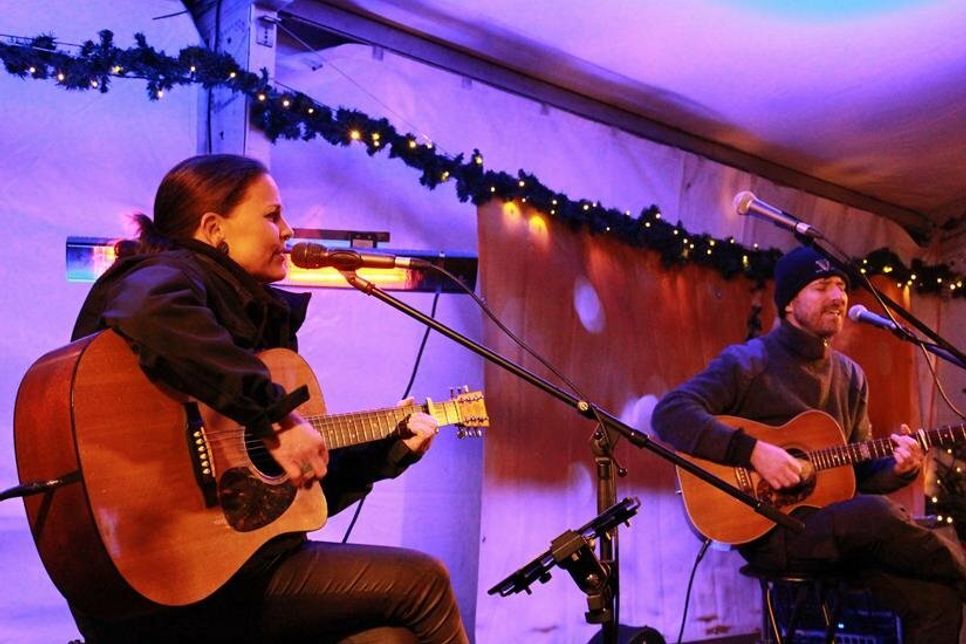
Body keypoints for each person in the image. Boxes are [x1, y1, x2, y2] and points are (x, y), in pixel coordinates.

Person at [68, 154, 469, 643]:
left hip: (234, 570)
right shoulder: (168, 274)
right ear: (215, 228)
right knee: (423, 582)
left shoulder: (259, 324)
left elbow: (286, 504)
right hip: (165, 581)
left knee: (387, 639)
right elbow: (149, 309)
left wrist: (386, 454)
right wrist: (274, 418)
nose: (289, 229)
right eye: (272, 215)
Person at [652, 245, 966, 643]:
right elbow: (670, 413)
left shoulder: (851, 377)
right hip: (775, 533)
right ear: (788, 303)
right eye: (822, 286)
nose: (838, 297)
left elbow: (858, 476)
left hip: (843, 532)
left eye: (842, 286)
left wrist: (899, 469)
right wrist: (754, 452)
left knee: (936, 601)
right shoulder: (749, 362)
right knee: (879, 512)